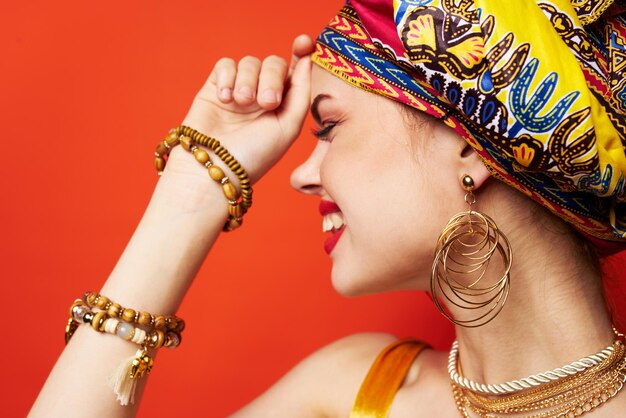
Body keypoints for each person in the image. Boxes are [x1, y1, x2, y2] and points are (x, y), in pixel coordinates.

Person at [30, 0, 626, 416]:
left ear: (471, 146)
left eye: (330, 126)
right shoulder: (352, 394)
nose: (299, 175)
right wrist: (194, 188)